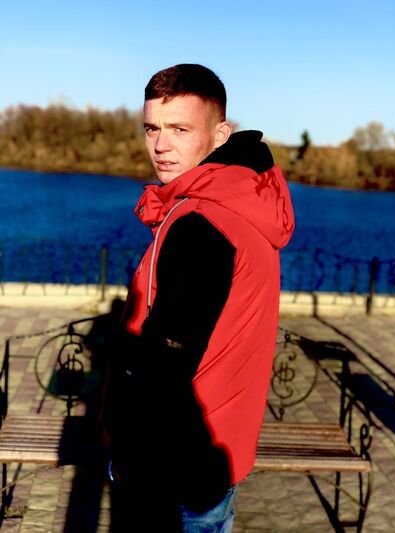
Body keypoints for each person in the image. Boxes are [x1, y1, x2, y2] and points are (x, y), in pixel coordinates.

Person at [105, 63, 295, 532]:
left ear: (220, 134)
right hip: (218, 449)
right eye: (152, 128)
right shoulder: (246, 202)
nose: (160, 145)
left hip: (172, 464)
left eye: (180, 129)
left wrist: (126, 453)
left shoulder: (202, 223)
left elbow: (165, 362)